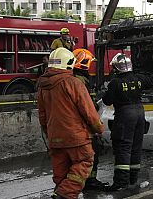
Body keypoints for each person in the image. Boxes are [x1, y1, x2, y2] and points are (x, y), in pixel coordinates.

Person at [37, 47, 105, 199]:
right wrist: (98, 128)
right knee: (85, 161)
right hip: (76, 137)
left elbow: (42, 116)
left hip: (55, 138)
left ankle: (60, 193)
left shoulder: (42, 87)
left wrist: (50, 133)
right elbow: (88, 111)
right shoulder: (73, 83)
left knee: (61, 174)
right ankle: (63, 195)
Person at [102, 52, 153, 191]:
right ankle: (132, 179)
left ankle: (121, 183)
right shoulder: (138, 78)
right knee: (136, 147)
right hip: (140, 113)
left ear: (115, 69)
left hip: (125, 115)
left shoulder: (115, 83)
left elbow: (107, 101)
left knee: (123, 147)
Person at [71, 48, 108, 190]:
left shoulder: (76, 79)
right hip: (83, 125)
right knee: (92, 152)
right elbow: (86, 106)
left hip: (76, 125)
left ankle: (86, 181)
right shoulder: (79, 81)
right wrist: (97, 128)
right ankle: (88, 181)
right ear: (84, 64)